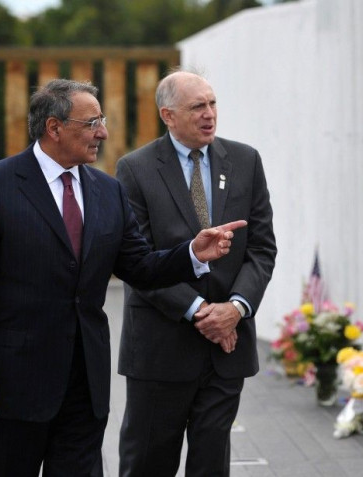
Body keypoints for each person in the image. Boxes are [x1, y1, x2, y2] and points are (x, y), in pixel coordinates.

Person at [0, 78, 245, 477]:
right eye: (92, 123)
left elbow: (138, 267)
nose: (103, 133)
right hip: (9, 390)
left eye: (101, 121)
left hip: (84, 389)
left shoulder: (107, 191)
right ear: (54, 128)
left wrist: (192, 253)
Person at [116, 70, 276, 476]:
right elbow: (137, 259)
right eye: (197, 107)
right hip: (160, 349)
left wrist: (235, 309)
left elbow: (261, 248)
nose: (210, 114)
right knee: (150, 463)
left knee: (211, 465)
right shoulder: (135, 169)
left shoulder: (244, 160)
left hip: (227, 347)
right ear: (168, 115)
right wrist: (201, 311)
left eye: (213, 103)